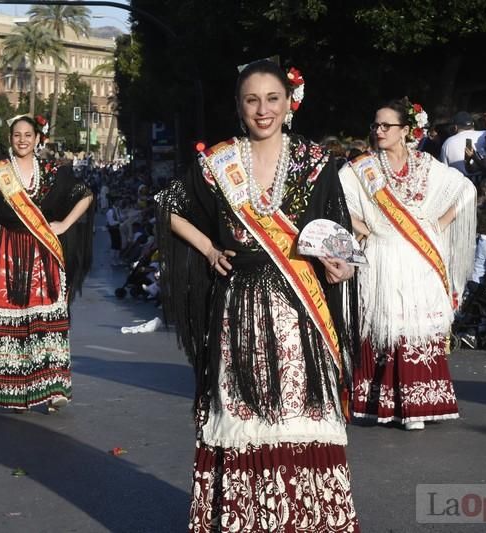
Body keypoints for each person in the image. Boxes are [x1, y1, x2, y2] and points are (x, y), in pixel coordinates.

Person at [156, 60, 360, 531]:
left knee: (297, 411)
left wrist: (339, 264)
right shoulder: (218, 163)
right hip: (239, 307)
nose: (262, 109)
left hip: (299, 309)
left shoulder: (316, 162)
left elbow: (340, 237)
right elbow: (169, 207)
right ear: (238, 107)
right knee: (243, 411)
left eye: (272, 98)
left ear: (289, 104)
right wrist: (208, 248)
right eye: (252, 100)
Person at [339, 98, 477, 430]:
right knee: (386, 324)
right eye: (376, 125)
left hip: (419, 255)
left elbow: (464, 190)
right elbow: (338, 201)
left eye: (387, 125)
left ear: (405, 131)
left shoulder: (425, 164)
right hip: (383, 255)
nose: (380, 130)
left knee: (418, 323)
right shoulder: (362, 167)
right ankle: (384, 402)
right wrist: (365, 229)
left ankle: (422, 401)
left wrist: (438, 225)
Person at [0, 115, 94, 412]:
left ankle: (54, 388)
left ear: (38, 138)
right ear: (10, 138)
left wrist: (64, 223)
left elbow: (85, 195)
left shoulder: (53, 172)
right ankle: (14, 388)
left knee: (47, 321)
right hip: (7, 255)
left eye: (28, 134)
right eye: (17, 135)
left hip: (43, 254)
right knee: (12, 321)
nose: (23, 139)